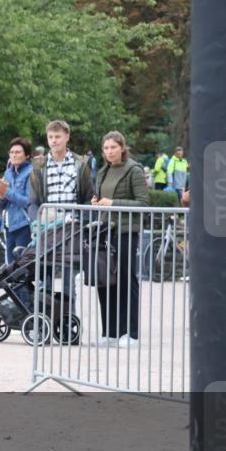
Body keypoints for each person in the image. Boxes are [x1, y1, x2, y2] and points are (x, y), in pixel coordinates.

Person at [28, 120, 95, 310]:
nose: (54, 141)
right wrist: (35, 221)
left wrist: (82, 220)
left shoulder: (80, 164)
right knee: (43, 280)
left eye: (58, 137)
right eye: (50, 137)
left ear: (67, 137)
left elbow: (89, 197)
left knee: (68, 282)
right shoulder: (38, 165)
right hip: (46, 227)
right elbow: (32, 201)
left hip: (71, 229)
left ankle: (68, 326)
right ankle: (43, 325)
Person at [91, 131, 149, 348]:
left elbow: (144, 203)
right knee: (104, 281)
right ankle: (110, 332)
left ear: (122, 148)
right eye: (106, 148)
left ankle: (130, 333)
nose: (109, 152)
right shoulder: (103, 170)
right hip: (105, 232)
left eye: (113, 148)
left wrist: (114, 203)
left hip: (125, 232)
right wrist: (97, 201)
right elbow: (103, 198)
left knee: (126, 280)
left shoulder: (134, 170)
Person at [0, 138, 34, 263]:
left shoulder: (31, 172)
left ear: (27, 155)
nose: (14, 155)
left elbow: (28, 202)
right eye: (11, 152)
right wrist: (0, 195)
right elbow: (0, 206)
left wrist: (6, 191)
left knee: (21, 265)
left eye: (18, 152)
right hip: (9, 225)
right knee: (10, 266)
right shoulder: (8, 173)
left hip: (24, 224)